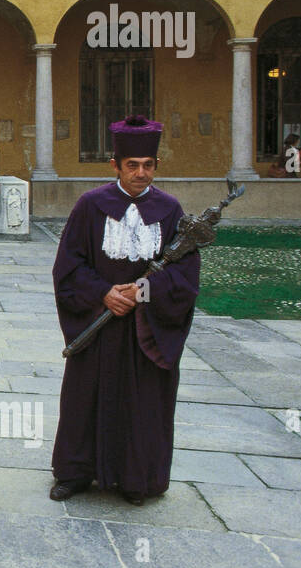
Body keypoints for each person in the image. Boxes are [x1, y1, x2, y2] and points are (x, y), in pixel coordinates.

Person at [50, 115, 200, 506]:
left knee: (143, 403)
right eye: (132, 165)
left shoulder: (170, 211)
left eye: (148, 165)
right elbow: (68, 266)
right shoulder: (91, 205)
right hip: (98, 327)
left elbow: (185, 276)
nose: (140, 173)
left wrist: (144, 291)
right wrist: (103, 293)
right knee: (85, 398)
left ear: (156, 166)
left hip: (145, 331)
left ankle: (136, 478)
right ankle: (76, 473)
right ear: (114, 165)